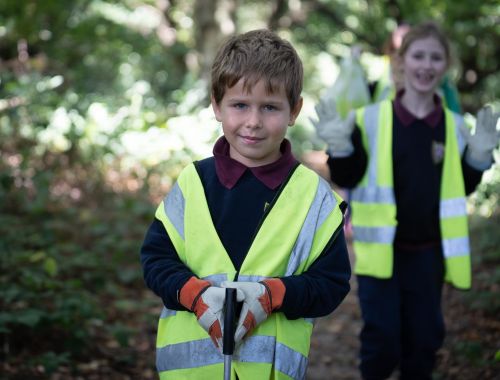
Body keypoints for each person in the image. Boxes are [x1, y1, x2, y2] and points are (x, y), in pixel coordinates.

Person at [140, 29, 352, 380]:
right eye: (240, 105)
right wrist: (193, 294)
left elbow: (330, 285)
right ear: (217, 105)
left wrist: (274, 295)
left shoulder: (314, 197)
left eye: (270, 107)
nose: (253, 122)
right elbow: (155, 260)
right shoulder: (192, 184)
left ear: (294, 111)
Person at [311, 21, 499, 379]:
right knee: (382, 342)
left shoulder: (455, 126)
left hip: (429, 254)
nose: (426, 65)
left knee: (424, 342)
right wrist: (340, 147)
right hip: (381, 254)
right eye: (418, 56)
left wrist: (477, 158)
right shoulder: (368, 120)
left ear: (446, 66)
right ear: (401, 61)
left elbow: (462, 188)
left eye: (435, 57)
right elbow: (347, 177)